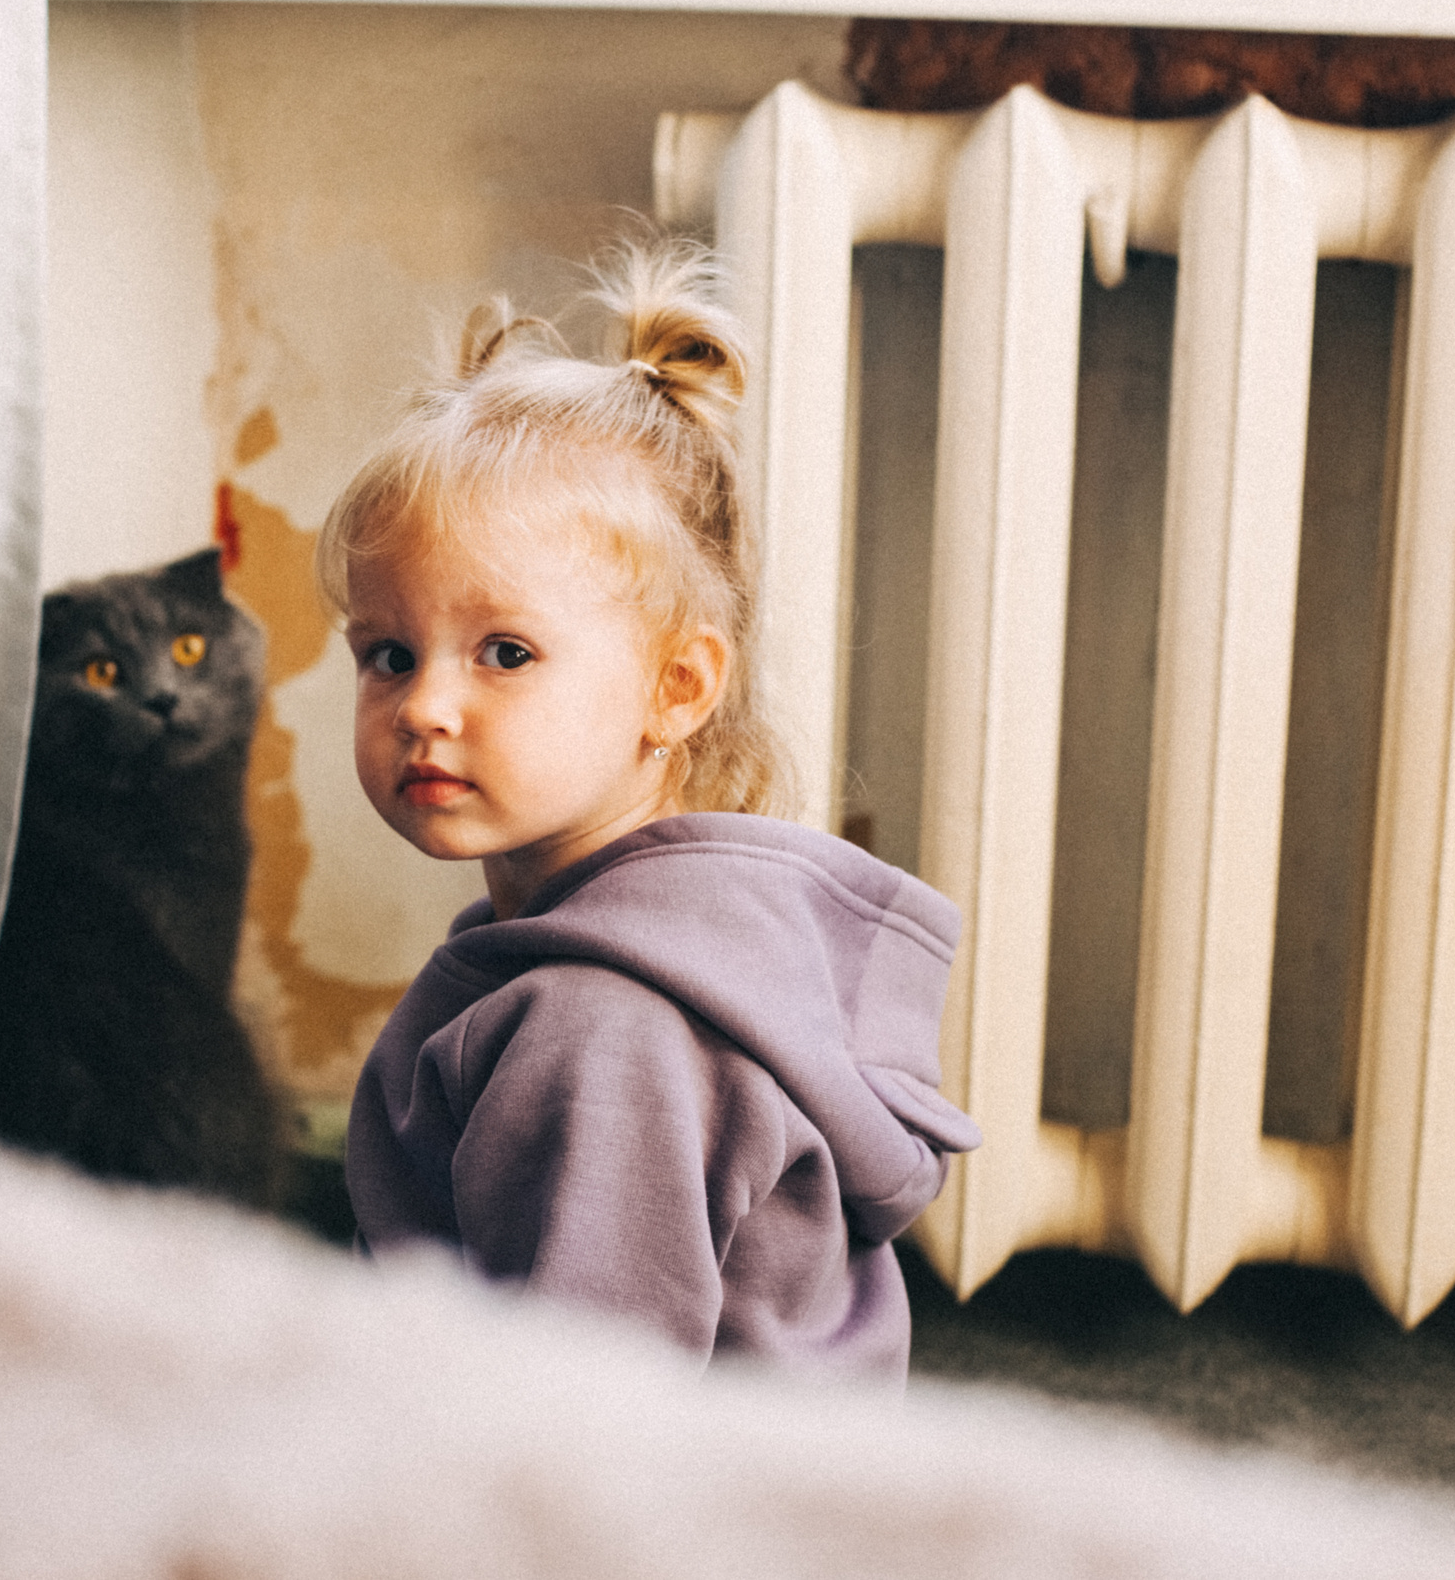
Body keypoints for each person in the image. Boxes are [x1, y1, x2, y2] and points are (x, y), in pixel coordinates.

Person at [321, 242, 978, 1386]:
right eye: (388, 652)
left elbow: (584, 1425)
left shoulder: (601, 1029)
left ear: (677, 688)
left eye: (505, 652)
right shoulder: (639, 948)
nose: (424, 705)